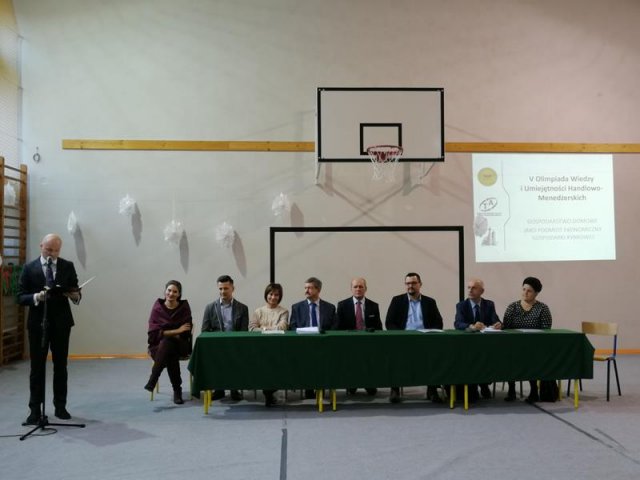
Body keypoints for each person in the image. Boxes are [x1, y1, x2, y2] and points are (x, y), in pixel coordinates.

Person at [17, 233, 81, 424]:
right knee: (37, 368)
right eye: (48, 249)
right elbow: (20, 297)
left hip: (61, 324)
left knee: (61, 366)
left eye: (56, 250)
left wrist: (75, 296)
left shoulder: (67, 266)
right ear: (41, 246)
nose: (52, 254)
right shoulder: (29, 268)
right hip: (38, 324)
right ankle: (35, 410)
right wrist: (36, 297)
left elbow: (76, 291)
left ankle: (60, 407)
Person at [386, 272, 444, 404]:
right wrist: (400, 335)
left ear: (420, 284)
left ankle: (432, 390)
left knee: (434, 355)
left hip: (425, 340)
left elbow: (438, 322)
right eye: (408, 283)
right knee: (394, 355)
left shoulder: (430, 302)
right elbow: (389, 322)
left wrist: (429, 333)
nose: (410, 286)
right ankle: (395, 389)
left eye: (413, 283)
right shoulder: (397, 301)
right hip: (403, 340)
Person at [502, 276, 553, 403]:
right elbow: (506, 327)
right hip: (514, 346)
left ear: (536, 293)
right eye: (523, 289)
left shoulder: (542, 308)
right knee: (508, 356)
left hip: (535, 347)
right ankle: (511, 390)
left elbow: (546, 329)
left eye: (529, 291)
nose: (525, 293)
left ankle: (534, 391)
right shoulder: (512, 307)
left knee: (533, 357)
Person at [201, 274, 249, 401]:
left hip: (235, 345)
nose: (223, 291)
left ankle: (234, 388)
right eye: (220, 289)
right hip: (217, 346)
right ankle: (219, 389)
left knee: (234, 355)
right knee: (218, 355)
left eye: (226, 288)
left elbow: (244, 331)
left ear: (233, 288)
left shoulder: (243, 308)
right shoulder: (210, 308)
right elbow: (205, 331)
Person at [144, 280, 192, 405]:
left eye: (175, 292)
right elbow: (153, 333)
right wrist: (176, 331)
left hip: (181, 345)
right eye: (169, 290)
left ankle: (153, 379)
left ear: (179, 294)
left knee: (167, 342)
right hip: (159, 346)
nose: (171, 294)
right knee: (169, 349)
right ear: (165, 291)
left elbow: (186, 332)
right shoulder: (157, 308)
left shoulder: (184, 308)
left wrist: (166, 332)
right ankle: (177, 390)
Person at [454, 278, 502, 401]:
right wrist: (471, 326)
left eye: (474, 288)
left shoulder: (489, 304)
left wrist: (498, 324)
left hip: (486, 344)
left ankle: (484, 383)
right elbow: (458, 323)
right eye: (469, 287)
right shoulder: (461, 305)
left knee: (489, 357)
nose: (470, 290)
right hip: (468, 345)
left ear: (482, 291)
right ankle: (477, 385)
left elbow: (495, 320)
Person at [290, 277, 336, 398]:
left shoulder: (330, 307)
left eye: (310, 288)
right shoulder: (297, 307)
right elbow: (292, 327)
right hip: (304, 343)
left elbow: (334, 327)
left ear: (318, 289)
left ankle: (322, 386)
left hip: (324, 344)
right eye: (305, 288)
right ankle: (309, 387)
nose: (306, 290)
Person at [335, 277, 382, 396]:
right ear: (351, 289)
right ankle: (352, 384)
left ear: (366, 289)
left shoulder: (374, 305)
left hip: (368, 342)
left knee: (369, 360)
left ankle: (369, 383)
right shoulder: (342, 305)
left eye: (361, 286)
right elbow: (338, 327)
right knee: (351, 360)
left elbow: (378, 327)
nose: (358, 289)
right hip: (349, 342)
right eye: (355, 286)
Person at [249, 283, 289, 406]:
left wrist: (263, 328)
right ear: (266, 295)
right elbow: (252, 328)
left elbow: (283, 327)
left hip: (278, 348)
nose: (273, 297)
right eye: (271, 294)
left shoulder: (284, 311)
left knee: (279, 365)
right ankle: (268, 393)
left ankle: (269, 392)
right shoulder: (258, 311)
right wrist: (271, 329)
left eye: (276, 295)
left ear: (280, 296)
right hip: (260, 349)